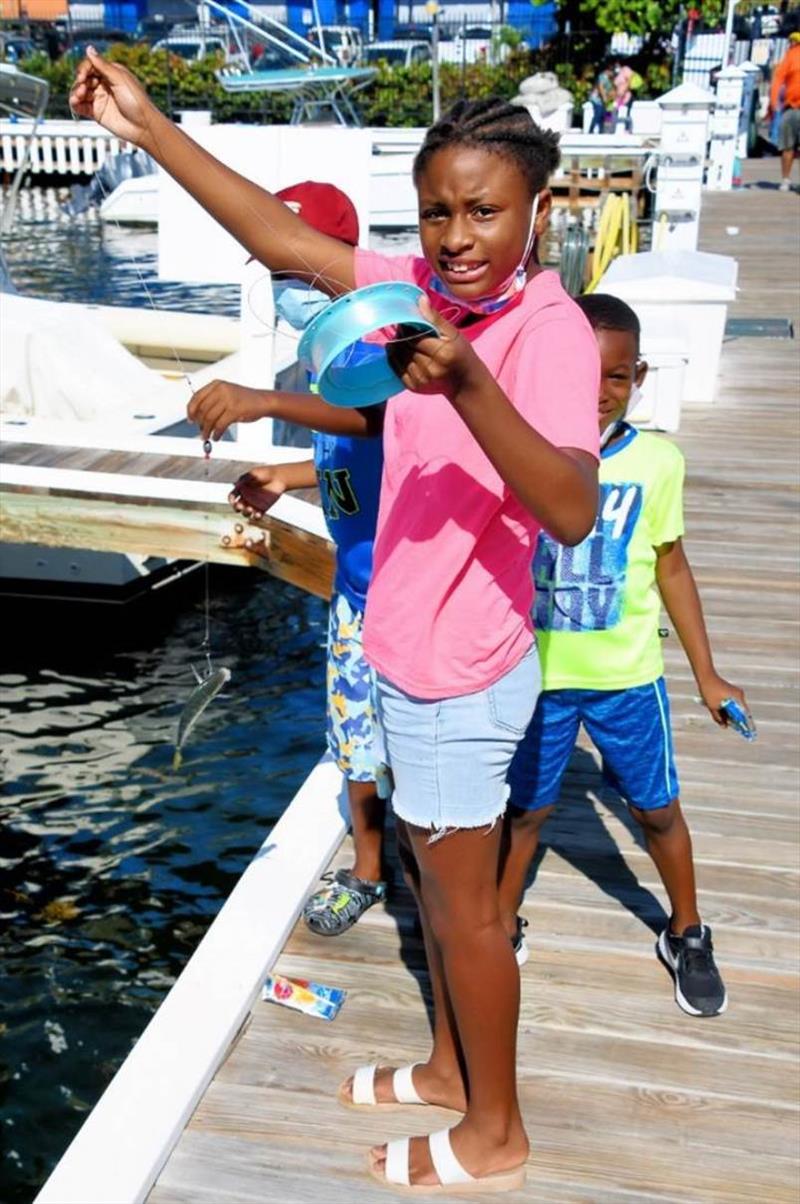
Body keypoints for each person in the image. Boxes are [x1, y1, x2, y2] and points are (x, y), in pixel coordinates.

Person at [71, 53, 600, 1192]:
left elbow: (567, 507)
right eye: (438, 213)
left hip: (463, 666)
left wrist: (463, 385)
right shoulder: (427, 294)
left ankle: (493, 1130)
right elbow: (282, 242)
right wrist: (144, 124)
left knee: (464, 918)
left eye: (484, 211)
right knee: (429, 882)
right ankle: (453, 1070)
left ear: (538, 210)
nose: (456, 236)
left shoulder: (544, 331)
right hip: (402, 647)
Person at [499, 293, 749, 1019]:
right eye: (582, 372)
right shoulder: (519, 454)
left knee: (658, 809)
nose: (598, 391)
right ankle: (499, 923)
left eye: (616, 375)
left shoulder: (660, 463)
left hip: (628, 680)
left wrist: (706, 673)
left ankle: (686, 930)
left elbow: (671, 565)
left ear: (637, 376)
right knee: (526, 814)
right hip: (535, 679)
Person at [189, 180, 390, 938]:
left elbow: (376, 418)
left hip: (413, 594)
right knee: (354, 739)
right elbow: (342, 447)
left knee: (425, 747)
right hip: (354, 590)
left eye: (296, 277)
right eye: (275, 277)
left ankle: (462, 896)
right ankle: (370, 868)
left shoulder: (380, 343)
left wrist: (262, 403)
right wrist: (286, 475)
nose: (285, 293)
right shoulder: (319, 356)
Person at [769, 31, 800, 191]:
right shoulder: (789, 57)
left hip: (790, 109)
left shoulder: (790, 56)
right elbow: (778, 78)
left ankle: (786, 180)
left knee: (787, 147)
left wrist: (773, 105)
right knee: (788, 147)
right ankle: (786, 180)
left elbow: (777, 79)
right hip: (791, 107)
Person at [589, 59, 613, 134]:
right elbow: (601, 87)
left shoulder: (609, 79)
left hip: (603, 100)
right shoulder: (603, 76)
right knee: (598, 114)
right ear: (608, 70)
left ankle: (601, 131)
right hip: (597, 99)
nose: (613, 73)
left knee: (603, 115)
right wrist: (605, 98)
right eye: (612, 71)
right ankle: (591, 130)